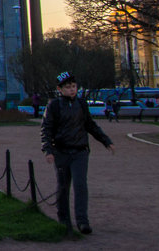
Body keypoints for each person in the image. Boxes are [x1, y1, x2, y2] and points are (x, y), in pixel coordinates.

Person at [41, 72, 114, 235]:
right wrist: (48, 150)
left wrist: (106, 141)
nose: (72, 90)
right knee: (63, 186)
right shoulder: (54, 106)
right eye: (68, 87)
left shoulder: (81, 104)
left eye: (74, 87)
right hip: (61, 151)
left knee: (80, 185)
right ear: (60, 89)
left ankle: (82, 221)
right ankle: (64, 220)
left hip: (80, 151)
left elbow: (90, 125)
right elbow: (46, 129)